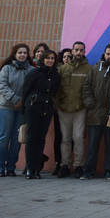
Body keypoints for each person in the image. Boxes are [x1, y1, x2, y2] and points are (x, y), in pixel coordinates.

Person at [81, 43, 110, 180]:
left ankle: (109, 171)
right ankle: (88, 171)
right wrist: (90, 104)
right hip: (95, 113)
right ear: (104, 54)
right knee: (92, 145)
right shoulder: (95, 68)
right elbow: (86, 87)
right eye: (108, 54)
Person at [22, 49, 60, 179]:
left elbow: (54, 92)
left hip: (47, 108)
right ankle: (29, 169)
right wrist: (24, 109)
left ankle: (37, 169)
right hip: (33, 108)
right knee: (32, 138)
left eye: (52, 58)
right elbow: (25, 91)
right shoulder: (34, 73)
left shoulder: (56, 75)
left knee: (41, 138)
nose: (50, 60)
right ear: (43, 59)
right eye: (47, 58)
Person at [55, 41, 91, 178]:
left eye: (81, 50)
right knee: (65, 138)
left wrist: (86, 104)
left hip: (80, 109)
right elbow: (57, 88)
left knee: (78, 138)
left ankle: (78, 166)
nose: (78, 53)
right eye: (76, 50)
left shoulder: (89, 69)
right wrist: (57, 104)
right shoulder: (63, 68)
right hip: (63, 109)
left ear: (84, 51)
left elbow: (90, 88)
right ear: (72, 51)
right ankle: (65, 165)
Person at [0, 44, 34, 176]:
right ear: (14, 54)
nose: (22, 55)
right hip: (6, 108)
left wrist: (23, 102)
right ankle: (1, 167)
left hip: (22, 109)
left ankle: (11, 167)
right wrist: (15, 99)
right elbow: (2, 86)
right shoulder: (6, 69)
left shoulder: (31, 70)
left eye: (25, 53)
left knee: (16, 139)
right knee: (3, 138)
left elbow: (32, 88)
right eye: (20, 52)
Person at [52, 48, 72, 175]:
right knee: (59, 137)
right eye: (65, 57)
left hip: (73, 108)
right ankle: (58, 162)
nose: (67, 59)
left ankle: (67, 163)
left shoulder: (75, 70)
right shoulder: (57, 71)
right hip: (59, 108)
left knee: (72, 138)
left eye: (69, 57)